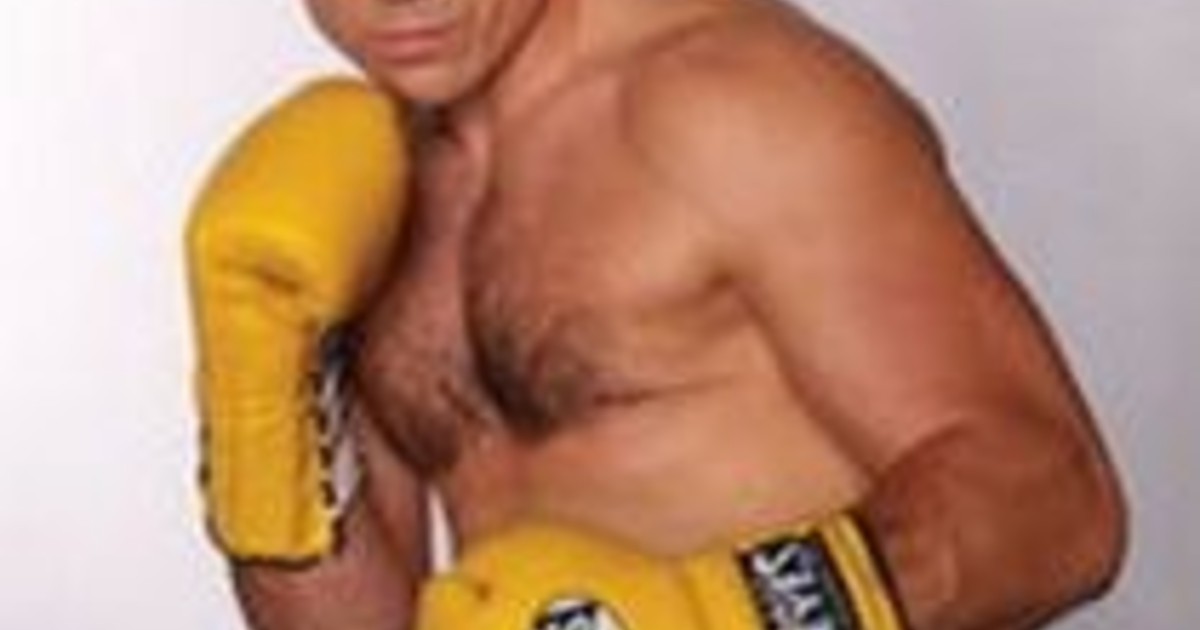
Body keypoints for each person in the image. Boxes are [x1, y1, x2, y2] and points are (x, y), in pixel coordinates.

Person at [200, 0, 1129, 629]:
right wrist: (263, 416)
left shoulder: (732, 100)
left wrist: (709, 617)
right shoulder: (354, 186)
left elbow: (1055, 504)